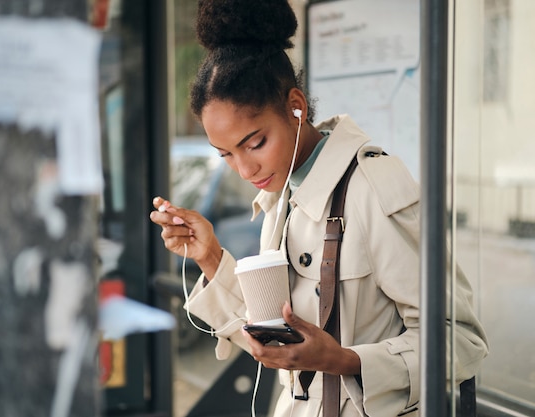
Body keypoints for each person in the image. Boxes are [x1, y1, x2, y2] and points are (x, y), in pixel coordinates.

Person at [150, 1, 489, 416]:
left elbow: (461, 340)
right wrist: (209, 256)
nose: (244, 168)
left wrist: (343, 360)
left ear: (297, 106)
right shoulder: (280, 193)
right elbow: (276, 335)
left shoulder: (373, 187)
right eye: (226, 155)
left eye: (255, 143)